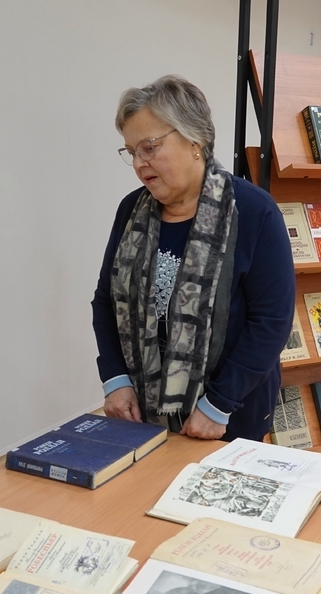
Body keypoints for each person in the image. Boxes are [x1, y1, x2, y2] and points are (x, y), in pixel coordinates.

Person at [91, 75, 295, 441]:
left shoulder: (253, 212)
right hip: (141, 414)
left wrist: (218, 404)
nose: (139, 163)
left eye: (149, 147)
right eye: (131, 152)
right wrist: (116, 379)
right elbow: (106, 300)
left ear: (194, 140)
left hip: (229, 417)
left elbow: (271, 323)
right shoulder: (130, 211)